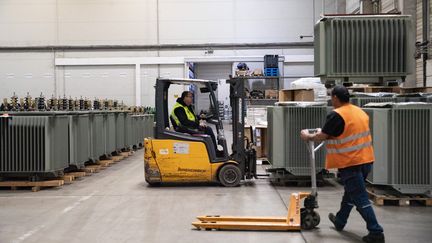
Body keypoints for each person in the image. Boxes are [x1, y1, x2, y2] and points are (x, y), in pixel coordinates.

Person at [300, 85, 384, 243]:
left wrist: (307, 136)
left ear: (336, 98)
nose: (331, 100)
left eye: (331, 97)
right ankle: (340, 220)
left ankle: (376, 231)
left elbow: (323, 136)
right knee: (350, 193)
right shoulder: (360, 111)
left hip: (350, 161)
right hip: (366, 159)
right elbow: (346, 133)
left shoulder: (337, 115)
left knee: (360, 197)